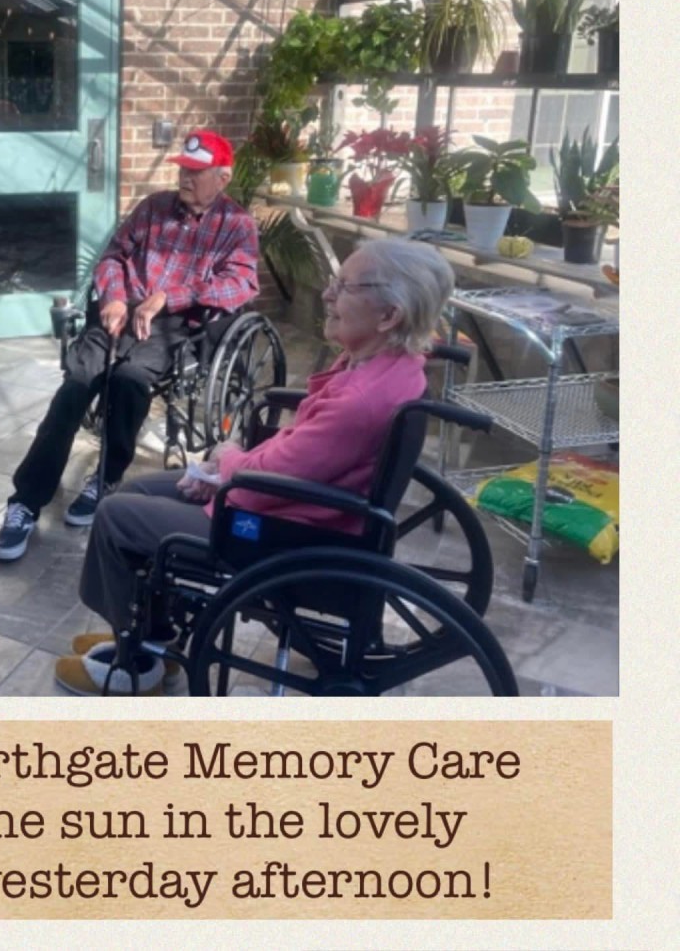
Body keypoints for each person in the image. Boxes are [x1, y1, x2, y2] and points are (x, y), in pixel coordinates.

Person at [53, 238, 456, 695]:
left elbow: (276, 480)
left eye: (344, 287)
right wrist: (225, 471)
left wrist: (227, 466)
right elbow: (298, 457)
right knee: (139, 493)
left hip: (285, 530)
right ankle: (150, 631)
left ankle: (136, 661)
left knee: (115, 516)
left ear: (389, 316)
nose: (327, 295)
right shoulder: (388, 366)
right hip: (300, 509)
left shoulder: (361, 399)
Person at [0, 129, 260, 562]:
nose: (186, 179)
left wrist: (172, 297)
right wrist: (115, 296)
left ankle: (107, 475)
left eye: (197, 171)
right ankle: (24, 501)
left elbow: (240, 284)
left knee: (131, 380)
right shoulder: (154, 207)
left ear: (223, 177)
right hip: (119, 313)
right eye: (184, 170)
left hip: (173, 324)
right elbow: (114, 256)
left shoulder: (236, 225)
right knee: (76, 384)